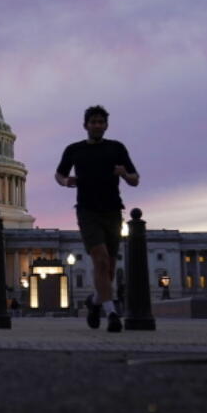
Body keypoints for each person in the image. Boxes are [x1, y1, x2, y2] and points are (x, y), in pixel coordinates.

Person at [55, 105, 139, 333]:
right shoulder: (74, 150)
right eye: (93, 122)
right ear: (86, 125)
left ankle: (94, 301)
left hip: (112, 210)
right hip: (87, 211)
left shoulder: (117, 148)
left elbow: (135, 179)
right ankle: (112, 313)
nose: (97, 125)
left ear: (106, 125)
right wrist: (65, 182)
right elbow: (59, 173)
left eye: (101, 122)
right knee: (100, 260)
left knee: (109, 269)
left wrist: (124, 174)